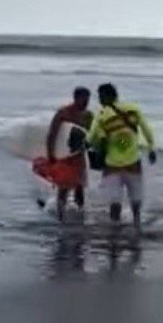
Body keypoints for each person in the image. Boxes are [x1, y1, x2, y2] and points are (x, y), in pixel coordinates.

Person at [87, 83, 156, 229]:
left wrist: (94, 145)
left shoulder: (101, 115)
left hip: (112, 165)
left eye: (100, 96)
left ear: (106, 96)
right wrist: (151, 149)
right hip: (133, 162)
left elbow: (92, 139)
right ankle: (137, 223)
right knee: (136, 198)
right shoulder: (133, 110)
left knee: (115, 201)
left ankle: (114, 229)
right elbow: (147, 130)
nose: (99, 100)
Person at [45, 87, 93, 221]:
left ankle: (80, 214)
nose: (86, 103)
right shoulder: (63, 113)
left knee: (80, 186)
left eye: (88, 100)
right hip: (64, 155)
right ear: (75, 98)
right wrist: (51, 155)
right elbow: (52, 135)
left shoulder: (88, 115)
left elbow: (92, 135)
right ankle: (60, 215)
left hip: (79, 155)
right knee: (64, 187)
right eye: (84, 99)